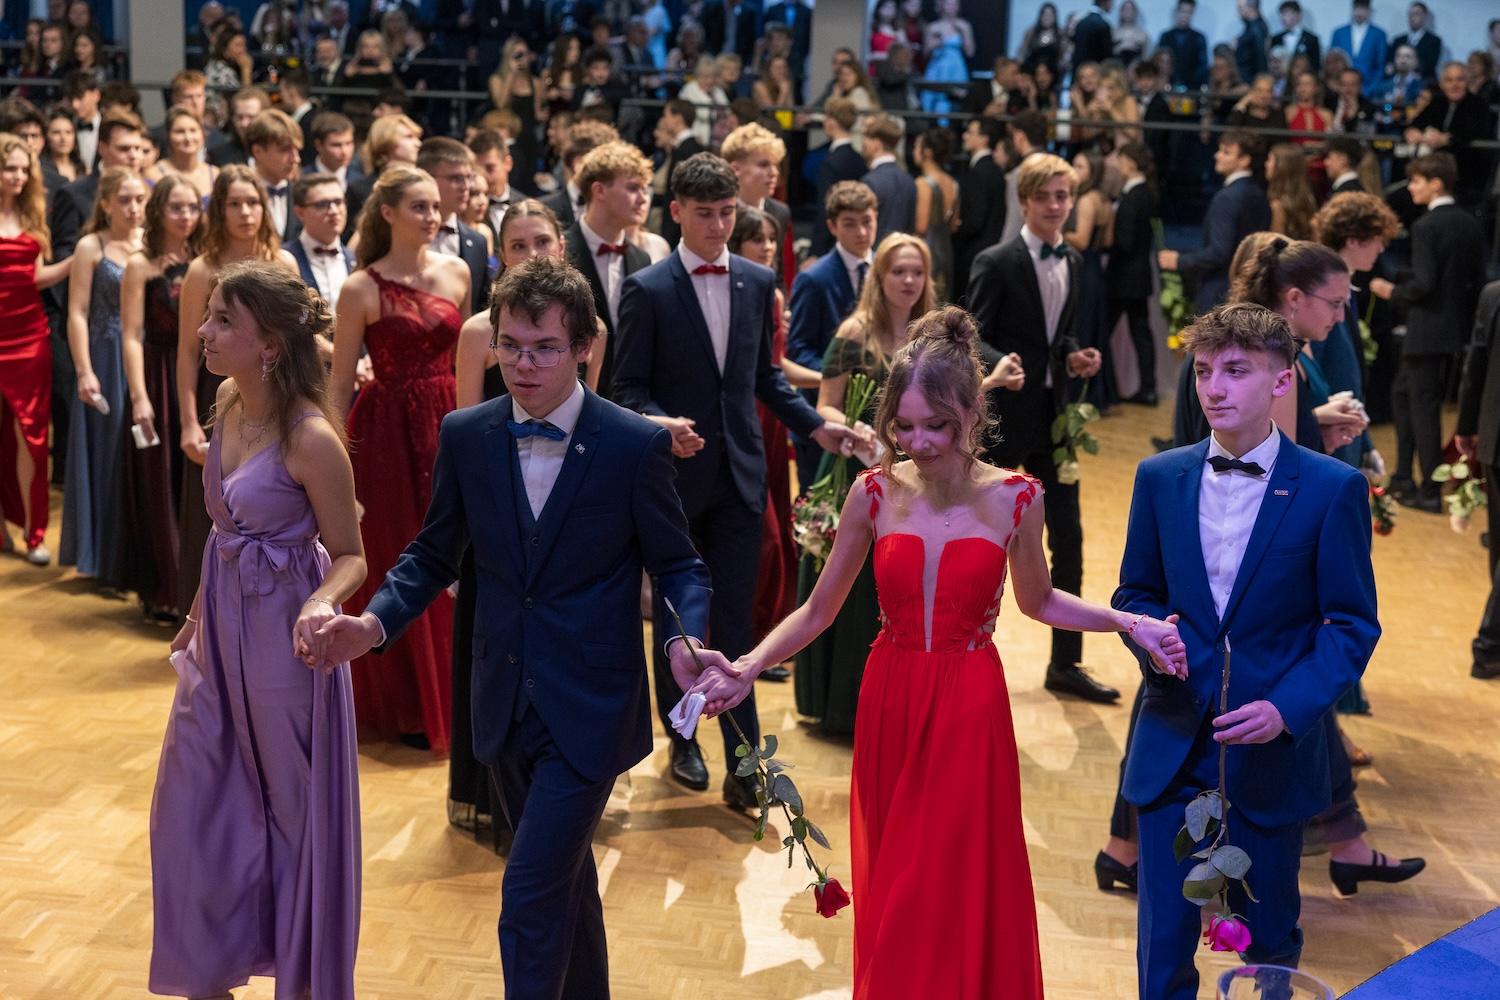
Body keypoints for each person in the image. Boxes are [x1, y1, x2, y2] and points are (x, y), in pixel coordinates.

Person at [698, 306, 1184, 999]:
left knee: (945, 874)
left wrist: (1128, 623)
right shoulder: (874, 493)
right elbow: (818, 609)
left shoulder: (1017, 498)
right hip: (889, 698)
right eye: (903, 426)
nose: (917, 442)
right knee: (896, 873)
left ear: (972, 414)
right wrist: (748, 666)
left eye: (936, 426)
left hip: (968, 705)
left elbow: (1041, 601)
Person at [310, 253, 733, 997]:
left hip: (592, 704)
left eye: (544, 348)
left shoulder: (632, 443)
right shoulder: (467, 434)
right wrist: (372, 625)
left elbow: (680, 566)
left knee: (529, 894)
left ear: (584, 348)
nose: (523, 365)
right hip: (501, 700)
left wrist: (681, 638)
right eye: (510, 345)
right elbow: (432, 553)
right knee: (565, 884)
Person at [1115, 301, 1379, 999]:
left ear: (1282, 380)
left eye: (1236, 371)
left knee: (1269, 943)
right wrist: (1150, 637)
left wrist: (1286, 709)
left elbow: (1351, 625)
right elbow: (1136, 592)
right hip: (1173, 743)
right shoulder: (1159, 477)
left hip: (1271, 756)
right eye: (1204, 371)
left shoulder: (1332, 489)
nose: (1214, 388)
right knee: (1162, 945)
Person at [613, 152, 862, 804]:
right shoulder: (647, 288)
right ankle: (684, 739)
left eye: (727, 213)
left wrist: (818, 428)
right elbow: (626, 389)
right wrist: (660, 423)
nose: (719, 226)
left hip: (741, 478)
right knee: (678, 618)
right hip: (671, 480)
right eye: (705, 214)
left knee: (735, 620)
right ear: (676, 212)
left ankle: (745, 760)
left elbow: (766, 379)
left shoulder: (756, 280)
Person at [149, 261, 362, 1000]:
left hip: (284, 642)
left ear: (269, 343)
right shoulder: (226, 401)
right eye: (208, 315)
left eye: (222, 321)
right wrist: (194, 619)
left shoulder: (312, 438)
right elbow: (223, 533)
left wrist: (320, 603)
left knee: (292, 816)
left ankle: (300, 979)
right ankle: (209, 969)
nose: (203, 333)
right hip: (220, 628)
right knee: (194, 801)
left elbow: (352, 554)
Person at [966, 153, 1116, 705]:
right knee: (979, 539)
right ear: (1025, 200)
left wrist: (1075, 355)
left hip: (1056, 419)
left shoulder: (1073, 260)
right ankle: (964, 653)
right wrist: (999, 361)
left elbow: (1062, 334)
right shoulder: (996, 261)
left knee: (1069, 537)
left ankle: (1065, 663)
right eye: (1046, 196)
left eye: (1063, 196)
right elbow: (972, 335)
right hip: (1005, 419)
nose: (1056, 206)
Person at [332, 164, 469, 754]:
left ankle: (457, 694)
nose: (433, 216)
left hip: (448, 420)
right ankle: (408, 704)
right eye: (419, 206)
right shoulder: (359, 288)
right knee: (399, 553)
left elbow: (473, 354)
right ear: (387, 212)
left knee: (456, 551)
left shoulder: (458, 272)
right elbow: (339, 383)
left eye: (435, 205)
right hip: (384, 435)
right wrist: (334, 464)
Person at [793, 232, 937, 732]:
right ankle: (845, 707)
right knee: (855, 591)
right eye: (899, 271)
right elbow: (825, 404)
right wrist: (856, 430)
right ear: (880, 277)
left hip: (918, 479)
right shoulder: (855, 332)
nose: (909, 280)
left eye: (917, 272)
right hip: (861, 476)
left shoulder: (930, 338)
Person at [175, 165, 300, 622]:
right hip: (219, 390)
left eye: (253, 203)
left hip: (274, 392)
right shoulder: (202, 269)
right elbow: (188, 351)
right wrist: (189, 421)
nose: (246, 212)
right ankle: (205, 617)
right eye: (234, 204)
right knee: (214, 510)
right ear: (219, 211)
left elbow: (296, 340)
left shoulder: (283, 262)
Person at [1369, 152, 1487, 513]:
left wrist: (1391, 291)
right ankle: (1404, 476)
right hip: (1453, 329)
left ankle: (1431, 490)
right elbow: (1477, 280)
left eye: (1417, 181)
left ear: (1436, 184)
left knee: (1422, 408)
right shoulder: (1470, 222)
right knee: (1405, 397)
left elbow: (1424, 283)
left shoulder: (1425, 226)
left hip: (1425, 330)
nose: (1411, 187)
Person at [729, 206, 819, 653]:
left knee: (778, 522)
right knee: (760, 532)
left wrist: (827, 380)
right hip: (748, 413)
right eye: (757, 239)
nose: (766, 247)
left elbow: (776, 367)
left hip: (772, 414)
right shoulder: (742, 290)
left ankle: (770, 631)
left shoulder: (774, 294)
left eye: (770, 239)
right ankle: (754, 632)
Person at [120, 176, 202, 624]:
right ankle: (165, 590)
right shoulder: (140, 264)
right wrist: (139, 396)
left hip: (199, 374)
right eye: (176, 207)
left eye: (192, 207)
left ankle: (195, 589)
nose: (185, 216)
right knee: (159, 483)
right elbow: (132, 336)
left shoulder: (205, 259)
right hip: (156, 374)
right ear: (159, 211)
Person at [60, 168, 146, 587]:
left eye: (140, 199)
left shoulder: (151, 243)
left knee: (141, 455)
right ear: (107, 203)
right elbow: (76, 312)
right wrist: (84, 370)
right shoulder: (90, 246)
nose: (133, 208)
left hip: (145, 356)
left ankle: (135, 559)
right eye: (124, 200)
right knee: (107, 453)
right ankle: (101, 557)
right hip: (105, 357)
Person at [0, 133, 71, 565]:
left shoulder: (33, 213)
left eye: (23, 170)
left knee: (32, 435)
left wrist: (75, 261)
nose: (18, 176)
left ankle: (34, 531)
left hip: (28, 336)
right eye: (10, 168)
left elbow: (35, 277)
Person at [788, 181, 878, 489]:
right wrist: (841, 378)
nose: (862, 232)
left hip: (876, 419)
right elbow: (799, 348)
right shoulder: (814, 279)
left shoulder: (889, 272)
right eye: (850, 224)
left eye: (867, 221)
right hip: (825, 416)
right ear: (832, 226)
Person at [563, 140, 653, 400]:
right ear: (599, 190)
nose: (643, 198)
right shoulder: (562, 252)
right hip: (571, 395)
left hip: (628, 401)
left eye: (645, 189)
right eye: (633, 188)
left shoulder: (641, 258)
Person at [1159, 130, 1270, 313]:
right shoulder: (1258, 193)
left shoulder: (1227, 197)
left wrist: (1179, 261)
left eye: (1226, 152)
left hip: (1220, 292)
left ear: (1244, 160)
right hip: (1248, 290)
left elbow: (1219, 252)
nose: (1217, 155)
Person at [1457, 278, 1500, 680]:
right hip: (1490, 436)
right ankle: (1488, 647)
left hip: (1494, 436)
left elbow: (1477, 364)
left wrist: (1467, 425)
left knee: (1498, 547)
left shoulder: (1493, 293)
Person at [1106, 142, 1158, 407]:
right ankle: (1148, 388)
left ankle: (1103, 389)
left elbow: (1125, 242)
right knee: (1141, 333)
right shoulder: (1146, 193)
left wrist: (1105, 245)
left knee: (1102, 329)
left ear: (1130, 163)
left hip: (1124, 276)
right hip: (1139, 275)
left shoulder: (1133, 196)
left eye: (1120, 159)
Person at [416, 137, 490, 317]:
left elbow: (480, 309)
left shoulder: (477, 242)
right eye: (456, 178)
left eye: (468, 177)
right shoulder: (401, 235)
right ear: (427, 179)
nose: (466, 187)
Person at [1063, 147, 1113, 407]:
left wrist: (1057, 230)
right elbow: (1107, 240)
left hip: (1082, 267)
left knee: (1082, 327)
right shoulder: (1104, 200)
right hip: (1095, 267)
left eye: (1080, 166)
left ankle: (1079, 393)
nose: (1073, 169)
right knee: (1094, 328)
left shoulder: (1085, 200)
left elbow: (1081, 240)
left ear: (1092, 172)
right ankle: (1095, 393)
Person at [952, 116, 1006, 303]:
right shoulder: (994, 170)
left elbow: (975, 221)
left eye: (970, 132)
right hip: (990, 250)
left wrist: (957, 229)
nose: (965, 136)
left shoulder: (979, 172)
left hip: (974, 254)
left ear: (984, 138)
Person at [287, 173, 354, 314]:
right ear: (300, 213)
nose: (334, 211)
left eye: (338, 202)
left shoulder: (357, 259)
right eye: (322, 205)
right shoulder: (285, 259)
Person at [810, 98, 868, 257]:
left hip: (831, 244)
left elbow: (825, 209)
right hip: (855, 237)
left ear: (831, 123)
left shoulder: (830, 163)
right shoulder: (859, 160)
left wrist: (815, 252)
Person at [245, 109, 305, 245]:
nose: (296, 159)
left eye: (297, 150)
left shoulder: (302, 193)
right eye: (285, 150)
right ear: (257, 151)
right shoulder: (238, 194)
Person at [912, 127, 957, 304]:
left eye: (917, 146)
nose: (914, 151)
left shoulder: (922, 183)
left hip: (927, 252)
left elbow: (921, 226)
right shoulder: (953, 183)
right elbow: (953, 225)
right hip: (946, 251)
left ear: (928, 152)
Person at [860, 114, 914, 243]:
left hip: (875, 251)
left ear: (877, 143)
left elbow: (862, 226)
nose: (863, 144)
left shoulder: (870, 181)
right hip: (901, 250)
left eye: (866, 138)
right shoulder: (909, 180)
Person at [146, 105, 218, 199]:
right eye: (180, 132)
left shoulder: (215, 174)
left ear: (202, 134)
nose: (188, 138)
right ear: (168, 136)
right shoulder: (153, 175)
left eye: (193, 130)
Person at [920, 0, 973, 117]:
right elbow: (925, 53)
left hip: (956, 67)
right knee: (934, 99)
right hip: (938, 66)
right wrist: (937, 42)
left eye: (954, 4)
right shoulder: (933, 27)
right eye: (948, 3)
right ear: (942, 5)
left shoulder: (964, 26)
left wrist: (964, 32)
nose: (951, 7)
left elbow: (970, 52)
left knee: (956, 98)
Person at [1331, 0, 1387, 95]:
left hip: (1368, 89)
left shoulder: (1379, 35)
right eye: (1357, 8)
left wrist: (1372, 89)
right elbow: (1332, 64)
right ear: (1352, 10)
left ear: (1369, 11)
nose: (1359, 12)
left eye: (1363, 9)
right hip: (1341, 88)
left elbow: (1380, 65)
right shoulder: (1339, 33)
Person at [1266, 142, 1317, 239]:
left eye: (1269, 160)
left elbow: (1277, 244)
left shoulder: (1277, 206)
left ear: (1281, 167)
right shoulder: (1309, 198)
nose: (1266, 164)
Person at [305, 112, 363, 191]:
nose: (344, 151)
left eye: (349, 143)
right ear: (319, 145)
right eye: (336, 145)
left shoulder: (360, 181)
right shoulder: (303, 180)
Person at [1158, 0, 1208, 90]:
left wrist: (1190, 84)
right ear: (1176, 12)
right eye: (1182, 11)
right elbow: (1159, 63)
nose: (1184, 15)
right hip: (1167, 85)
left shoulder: (1199, 38)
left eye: (1188, 12)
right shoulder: (1166, 36)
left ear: (1192, 13)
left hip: (1192, 88)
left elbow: (1202, 66)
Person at [1390, 1, 1441, 81]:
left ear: (1425, 16)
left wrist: (1406, 66)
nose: (1412, 18)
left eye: (1416, 14)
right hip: (1399, 81)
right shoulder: (1398, 40)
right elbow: (1391, 64)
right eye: (1410, 14)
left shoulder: (1434, 41)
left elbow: (1430, 65)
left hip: (1423, 82)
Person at [1270, 0, 1320, 73]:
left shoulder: (1311, 39)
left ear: (1298, 15)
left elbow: (1316, 66)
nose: (1283, 18)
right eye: (1282, 14)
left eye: (1286, 14)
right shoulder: (1275, 39)